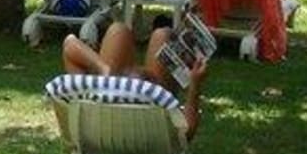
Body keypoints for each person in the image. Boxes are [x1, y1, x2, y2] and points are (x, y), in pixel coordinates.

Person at [61, 20, 208, 138]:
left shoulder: (99, 94)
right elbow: (187, 131)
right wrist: (194, 85)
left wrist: (103, 69)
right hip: (151, 131)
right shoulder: (160, 98)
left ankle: (109, 69)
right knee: (163, 35)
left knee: (118, 30)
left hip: (104, 130)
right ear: (153, 82)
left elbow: (69, 43)